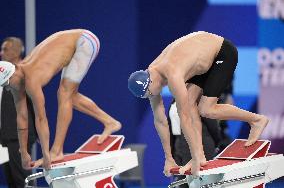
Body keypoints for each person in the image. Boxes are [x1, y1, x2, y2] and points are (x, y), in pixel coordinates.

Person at [128, 31, 269, 176]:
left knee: (206, 109)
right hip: (201, 61)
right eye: (148, 96)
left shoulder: (173, 74)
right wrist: (169, 158)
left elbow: (185, 118)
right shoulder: (150, 77)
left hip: (222, 53)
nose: (152, 96)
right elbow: (160, 120)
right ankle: (200, 156)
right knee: (189, 104)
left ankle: (256, 120)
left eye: (150, 93)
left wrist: (193, 158)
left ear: (150, 81)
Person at [0, 29, 122, 170]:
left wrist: (46, 154)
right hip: (72, 44)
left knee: (64, 94)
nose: (7, 89)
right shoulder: (16, 81)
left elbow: (41, 119)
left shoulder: (30, 80)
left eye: (7, 84)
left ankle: (57, 151)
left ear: (12, 74)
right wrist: (24, 153)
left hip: (84, 41)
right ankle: (110, 122)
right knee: (71, 96)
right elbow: (21, 118)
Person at [0, 37, 37, 188]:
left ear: (16, 51)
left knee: (22, 178)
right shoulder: (3, 72)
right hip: (5, 136)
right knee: (11, 179)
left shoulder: (25, 71)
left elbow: (35, 102)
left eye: (5, 49)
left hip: (19, 136)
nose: (1, 52)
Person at [168, 99, 221, 188]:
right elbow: (170, 128)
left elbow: (212, 125)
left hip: (200, 144)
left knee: (198, 181)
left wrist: (216, 142)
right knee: (181, 181)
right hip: (179, 144)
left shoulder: (197, 99)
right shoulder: (174, 102)